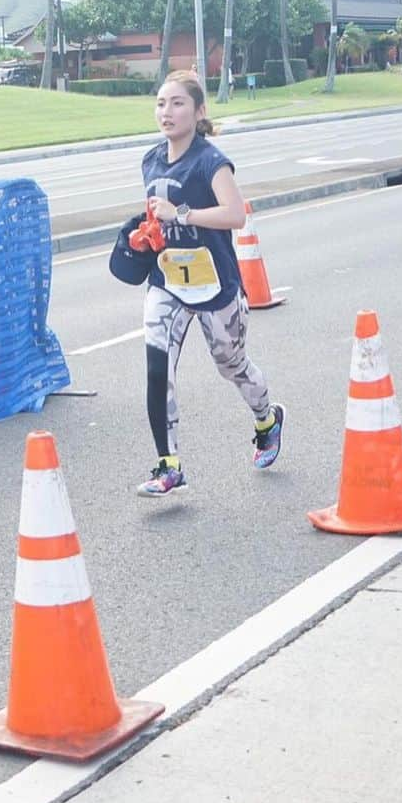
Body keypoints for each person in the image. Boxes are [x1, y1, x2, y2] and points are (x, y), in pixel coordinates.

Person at [135, 70, 284, 497]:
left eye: (178, 103)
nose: (167, 111)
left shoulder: (209, 160)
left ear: (199, 111)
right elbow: (154, 214)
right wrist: (144, 232)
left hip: (215, 284)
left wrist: (181, 215)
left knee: (231, 365)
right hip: (167, 281)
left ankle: (267, 418)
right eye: (161, 102)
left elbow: (235, 215)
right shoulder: (150, 159)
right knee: (157, 366)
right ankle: (169, 465)